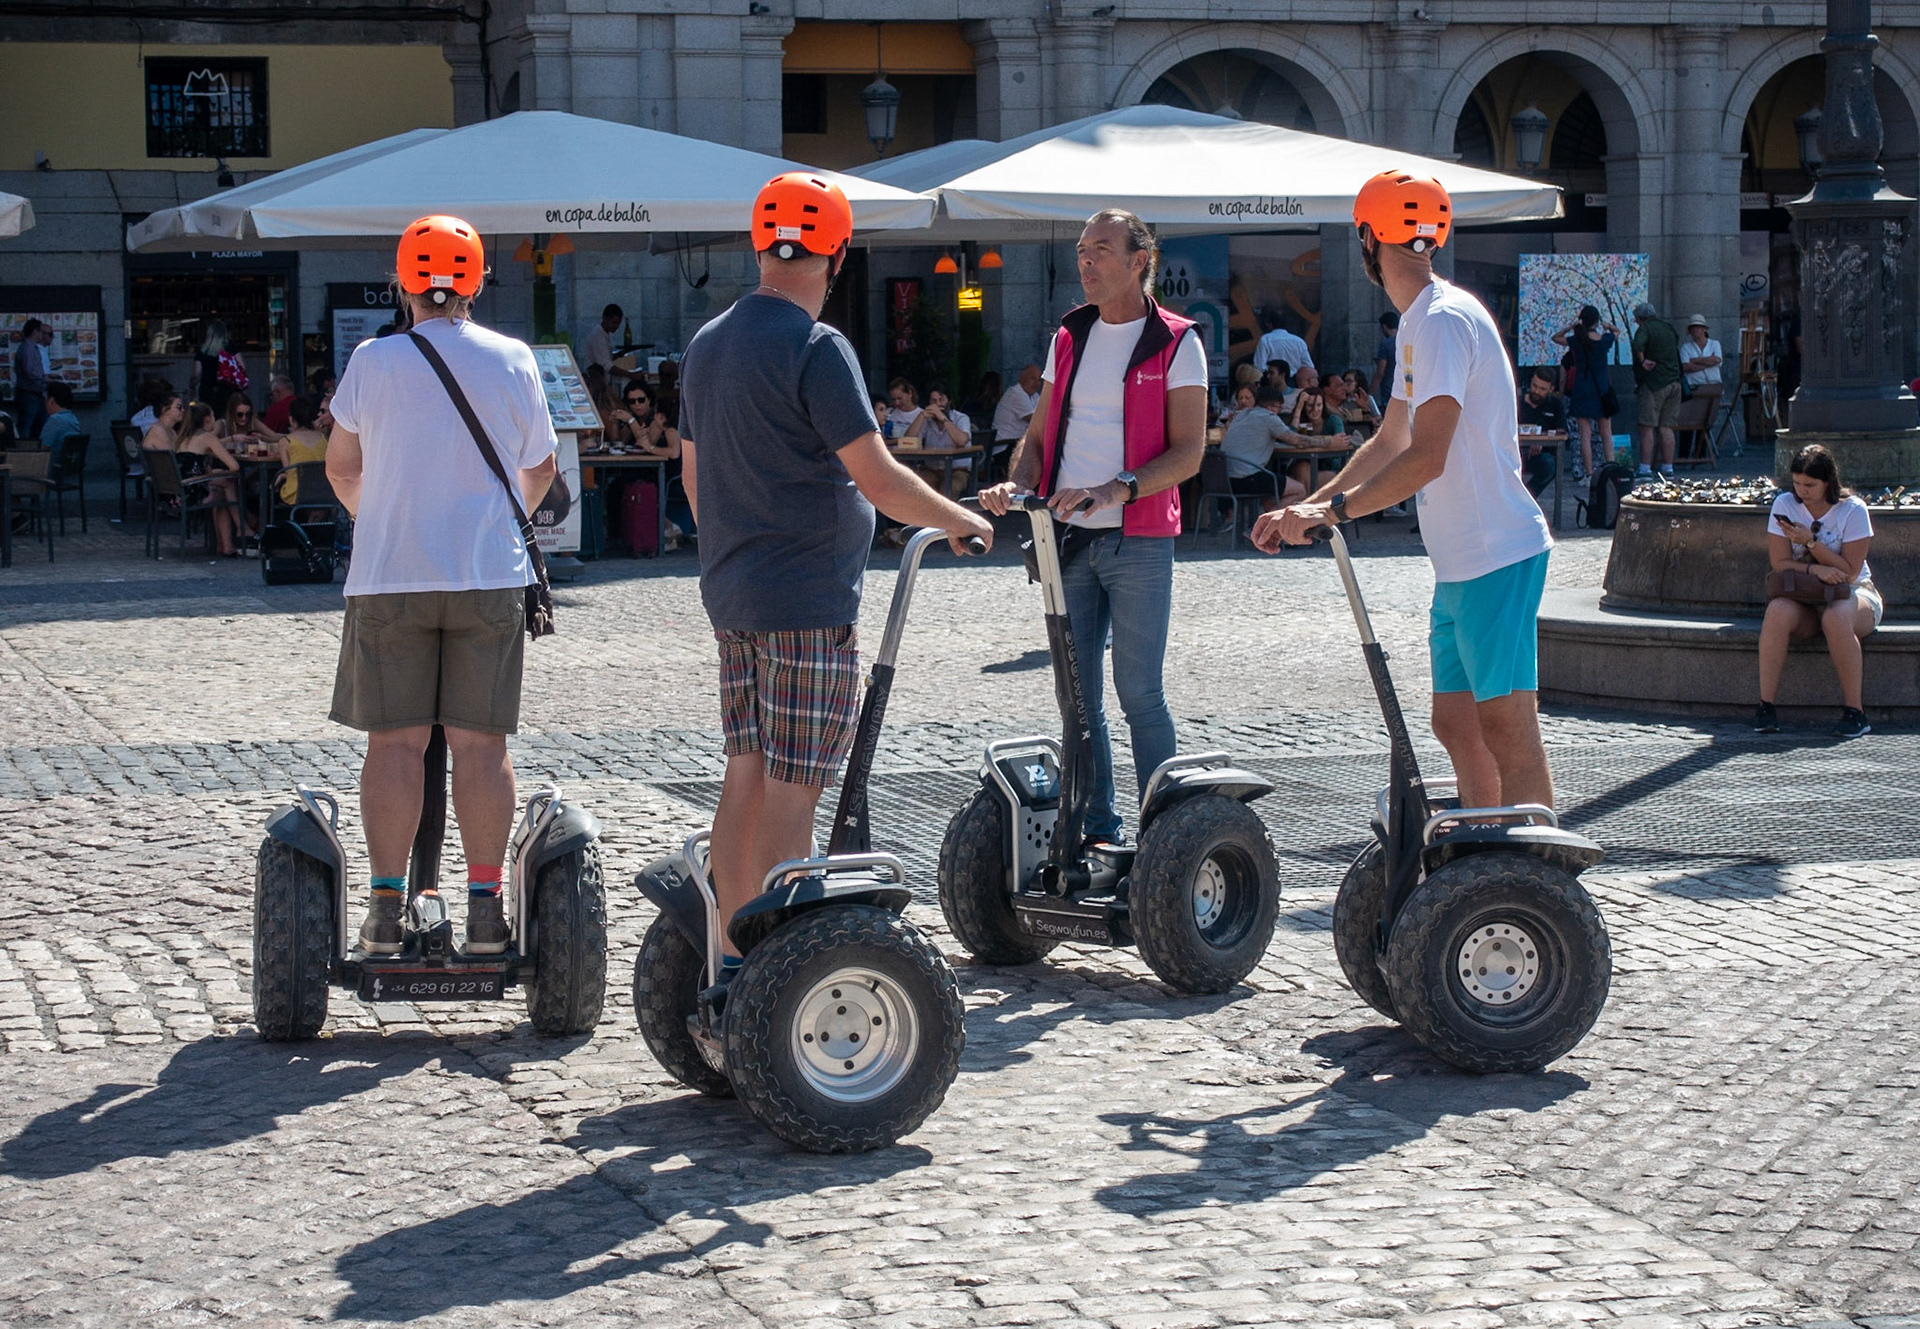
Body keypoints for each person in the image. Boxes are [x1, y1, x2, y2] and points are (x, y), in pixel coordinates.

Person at [677, 172, 990, 976]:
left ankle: (729, 957)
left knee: (745, 771)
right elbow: (879, 478)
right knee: (795, 785)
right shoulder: (818, 347)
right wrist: (959, 518)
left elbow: (692, 480)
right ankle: (784, 964)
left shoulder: (708, 344)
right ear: (838, 254)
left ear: (758, 247)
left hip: (733, 595)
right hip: (808, 600)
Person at [1258, 169, 1556, 815]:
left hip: (1494, 549)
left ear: (1366, 237)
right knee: (1457, 723)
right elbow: (1389, 439)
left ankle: (1537, 870)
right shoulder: (1424, 320)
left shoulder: (1443, 321)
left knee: (1507, 726)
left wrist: (1332, 511)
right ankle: (1485, 840)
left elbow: (1427, 454)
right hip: (1463, 558)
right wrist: (1306, 506)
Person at [326, 214, 560, 958]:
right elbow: (543, 468)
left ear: (401, 284)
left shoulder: (372, 359)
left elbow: (339, 466)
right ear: (477, 281)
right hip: (487, 573)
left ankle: (387, 911)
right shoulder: (514, 358)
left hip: (390, 576)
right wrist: (498, 519)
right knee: (480, 747)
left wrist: (385, 515)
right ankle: (486, 908)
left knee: (393, 746)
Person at [979, 207, 1207, 845]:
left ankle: (1169, 835)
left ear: (1140, 261)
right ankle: (1097, 828)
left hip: (1139, 538)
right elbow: (1037, 433)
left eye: (1101, 249)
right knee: (1076, 700)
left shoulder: (1176, 341)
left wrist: (1116, 488)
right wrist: (1017, 483)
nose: (1086, 261)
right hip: (1066, 538)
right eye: (1081, 250)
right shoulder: (1070, 335)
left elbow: (1188, 452)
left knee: (1140, 693)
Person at [1756, 444, 1881, 740]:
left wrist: (1811, 543)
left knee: (1836, 619)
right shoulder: (1785, 504)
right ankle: (1765, 705)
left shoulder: (1853, 510)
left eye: (1810, 485)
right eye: (1797, 483)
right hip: (1806, 595)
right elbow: (1780, 563)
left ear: (1828, 482)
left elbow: (1849, 571)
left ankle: (1856, 712)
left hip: (1852, 592)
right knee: (1776, 612)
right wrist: (1815, 569)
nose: (1802, 491)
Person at [1216, 383, 1308, 529]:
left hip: (1225, 480)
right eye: (1279, 408)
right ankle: (1264, 527)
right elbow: (1296, 439)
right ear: (1270, 407)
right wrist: (1330, 441)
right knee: (1299, 490)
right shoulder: (1269, 417)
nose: (1279, 412)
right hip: (1246, 478)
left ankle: (1275, 530)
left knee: (1269, 493)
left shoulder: (1240, 416)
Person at [1553, 305, 1618, 483]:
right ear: (1596, 321)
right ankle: (1610, 468)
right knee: (1606, 433)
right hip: (1602, 390)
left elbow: (1556, 338)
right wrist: (1608, 326)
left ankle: (1588, 474)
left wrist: (1571, 327)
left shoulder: (1577, 340)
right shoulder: (1605, 340)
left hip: (1582, 391)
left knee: (1584, 434)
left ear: (1582, 320)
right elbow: (1616, 332)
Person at [176, 402, 245, 556]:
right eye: (213, 416)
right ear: (207, 419)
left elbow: (195, 470)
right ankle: (241, 529)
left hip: (177, 493)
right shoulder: (207, 438)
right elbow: (234, 466)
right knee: (226, 485)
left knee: (222, 485)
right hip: (192, 494)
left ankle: (225, 543)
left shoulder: (182, 438)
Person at [1631, 300, 1683, 481]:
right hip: (1674, 383)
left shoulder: (1645, 329)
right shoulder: (1667, 328)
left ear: (1640, 318)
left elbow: (1637, 344)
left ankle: (1645, 469)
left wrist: (1643, 360)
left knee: (1647, 426)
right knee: (1666, 427)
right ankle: (1668, 468)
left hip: (1654, 383)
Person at [1516, 367, 1567, 499]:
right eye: (1534, 386)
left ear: (1551, 389)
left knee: (1549, 465)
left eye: (1542, 389)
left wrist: (1541, 440)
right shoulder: (1517, 402)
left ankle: (1525, 499)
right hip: (1515, 451)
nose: (1537, 391)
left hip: (1540, 455)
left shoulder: (1555, 405)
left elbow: (1562, 431)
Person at [608, 380, 681, 461]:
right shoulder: (632, 416)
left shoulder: (657, 419)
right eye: (632, 401)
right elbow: (619, 442)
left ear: (649, 400)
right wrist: (615, 423)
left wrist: (631, 421)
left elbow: (646, 446)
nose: (637, 404)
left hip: (661, 468)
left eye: (641, 400)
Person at [275, 396, 329, 505]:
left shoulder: (286, 441)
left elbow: (288, 471)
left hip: (297, 494)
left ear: (291, 419)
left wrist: (281, 476)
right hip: (323, 492)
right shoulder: (323, 438)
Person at [992, 363, 1042, 477]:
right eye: (1033, 378)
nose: (1036, 383)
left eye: (1039, 380)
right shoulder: (1015, 394)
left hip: (1017, 444)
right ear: (1022, 378)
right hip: (1003, 447)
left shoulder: (1034, 396)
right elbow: (1034, 418)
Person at [193, 321, 247, 416]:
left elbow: (196, 374)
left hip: (207, 390)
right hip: (228, 390)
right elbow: (242, 368)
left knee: (208, 417)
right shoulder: (231, 349)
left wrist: (191, 386)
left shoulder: (202, 351)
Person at [11, 318, 52, 437]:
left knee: (37, 427)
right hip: (29, 393)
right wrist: (44, 378)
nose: (42, 335)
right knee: (26, 428)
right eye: (41, 332)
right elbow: (29, 371)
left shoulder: (32, 347)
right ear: (35, 331)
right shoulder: (28, 348)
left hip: (35, 393)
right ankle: (23, 453)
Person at [1251, 307, 1314, 381]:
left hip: (1272, 382)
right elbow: (1309, 366)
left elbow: (1259, 366)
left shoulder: (1265, 340)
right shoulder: (1299, 342)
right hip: (1294, 382)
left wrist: (1271, 371)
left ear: (1270, 325)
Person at [582, 302, 622, 389]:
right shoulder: (598, 336)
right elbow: (606, 365)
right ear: (604, 318)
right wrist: (629, 374)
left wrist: (616, 356)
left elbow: (603, 357)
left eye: (618, 323)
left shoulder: (603, 334)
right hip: (596, 383)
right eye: (614, 323)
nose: (616, 326)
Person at [39, 381, 83, 454]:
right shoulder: (73, 418)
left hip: (52, 463)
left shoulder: (54, 420)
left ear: (51, 401)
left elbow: (42, 449)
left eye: (46, 399)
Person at [1682, 315, 1723, 393]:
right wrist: (1709, 363)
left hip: (1714, 384)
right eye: (1692, 328)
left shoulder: (1715, 344)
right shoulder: (1685, 347)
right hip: (1694, 387)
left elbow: (1717, 360)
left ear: (1704, 329)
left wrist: (1694, 360)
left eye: (1698, 327)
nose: (1695, 330)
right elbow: (1686, 367)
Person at [1369, 310, 1399, 409]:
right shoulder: (1406, 340)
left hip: (1389, 391)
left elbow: (1380, 373)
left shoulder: (1386, 345)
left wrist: (1370, 394)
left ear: (1384, 326)